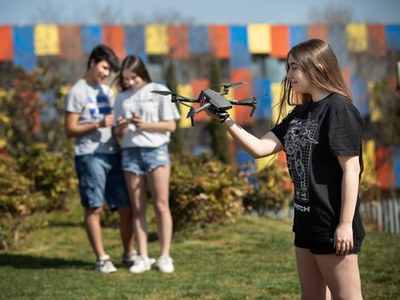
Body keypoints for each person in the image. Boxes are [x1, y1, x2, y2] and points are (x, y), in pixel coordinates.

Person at [205, 39, 365, 299]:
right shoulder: (300, 113)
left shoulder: (340, 110)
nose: (288, 75)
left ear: (319, 66)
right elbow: (259, 148)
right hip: (304, 220)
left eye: (294, 67)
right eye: (288, 67)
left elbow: (351, 170)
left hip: (332, 221)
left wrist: (345, 224)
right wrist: (226, 120)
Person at [65, 45, 136, 274]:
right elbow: (69, 129)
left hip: (112, 153)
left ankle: (129, 254)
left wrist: (121, 127)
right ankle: (101, 258)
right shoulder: (77, 91)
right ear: (93, 61)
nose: (106, 73)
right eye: (104, 67)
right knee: (94, 206)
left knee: (126, 206)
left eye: (109, 70)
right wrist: (96, 124)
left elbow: (112, 125)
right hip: (89, 155)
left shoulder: (108, 91)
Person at [112, 55, 180, 274]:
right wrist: (122, 127)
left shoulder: (159, 90)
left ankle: (164, 256)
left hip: (156, 151)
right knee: (137, 208)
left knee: (161, 205)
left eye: (132, 78)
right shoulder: (122, 97)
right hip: (131, 153)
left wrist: (145, 124)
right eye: (125, 79)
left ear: (141, 72)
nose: (129, 82)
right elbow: (117, 131)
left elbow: (171, 125)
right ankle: (142, 256)